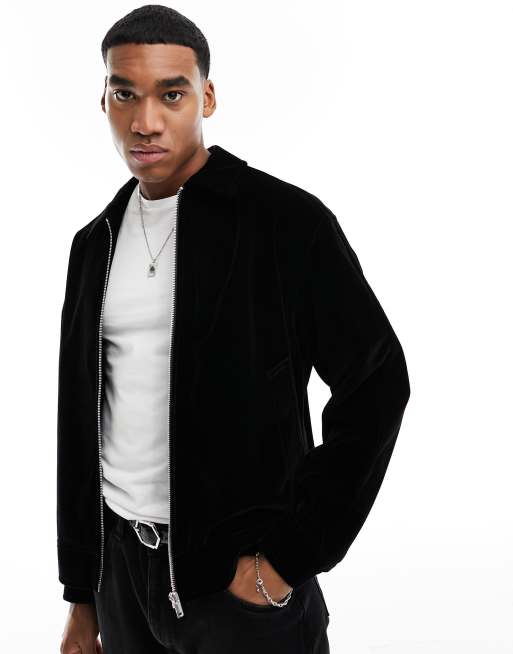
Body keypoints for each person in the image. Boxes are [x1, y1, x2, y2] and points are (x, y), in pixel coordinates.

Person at [57, 5, 411, 653]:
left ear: (207, 98)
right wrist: (82, 593)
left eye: (171, 94)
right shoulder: (94, 243)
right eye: (125, 94)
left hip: (238, 587)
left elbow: (377, 383)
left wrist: (288, 558)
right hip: (120, 577)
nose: (145, 121)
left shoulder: (284, 222)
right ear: (103, 100)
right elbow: (81, 423)